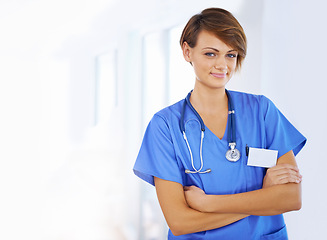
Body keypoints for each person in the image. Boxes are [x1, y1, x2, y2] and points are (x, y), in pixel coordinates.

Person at [133, 7, 306, 239]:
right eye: (210, 54)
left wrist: (207, 203)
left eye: (231, 54)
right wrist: (263, 197)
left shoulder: (262, 111)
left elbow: (290, 198)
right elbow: (180, 222)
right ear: (187, 51)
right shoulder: (165, 126)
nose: (222, 65)